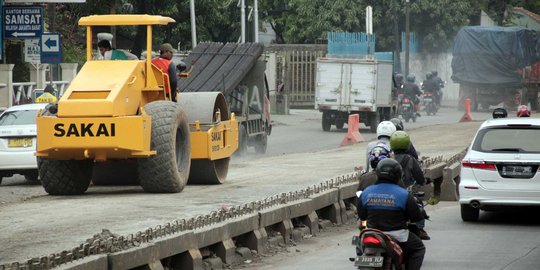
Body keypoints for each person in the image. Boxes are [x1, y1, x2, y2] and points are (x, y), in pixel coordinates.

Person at [357, 158, 426, 270]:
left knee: (359, 247)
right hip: (397, 234)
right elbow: (416, 217)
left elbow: (362, 216)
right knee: (418, 249)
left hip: (372, 233)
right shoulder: (404, 194)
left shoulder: (366, 193)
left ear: (378, 173)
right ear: (398, 175)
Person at [390, 130, 430, 240]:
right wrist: (424, 181)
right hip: (406, 193)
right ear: (407, 145)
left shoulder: (387, 160)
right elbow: (420, 179)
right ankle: (420, 229)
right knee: (419, 206)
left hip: (389, 192)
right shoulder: (411, 160)